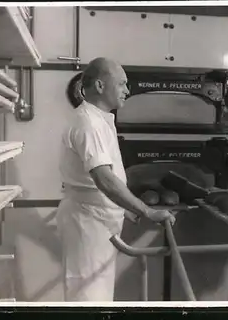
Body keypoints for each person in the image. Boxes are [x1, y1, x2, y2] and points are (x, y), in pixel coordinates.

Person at [56, 57, 176, 302]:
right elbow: (104, 179)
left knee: (96, 294)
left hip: (97, 221)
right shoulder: (88, 122)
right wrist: (147, 211)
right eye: (122, 84)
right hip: (88, 224)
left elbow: (104, 181)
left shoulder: (98, 119)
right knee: (88, 298)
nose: (128, 91)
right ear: (100, 86)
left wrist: (126, 207)